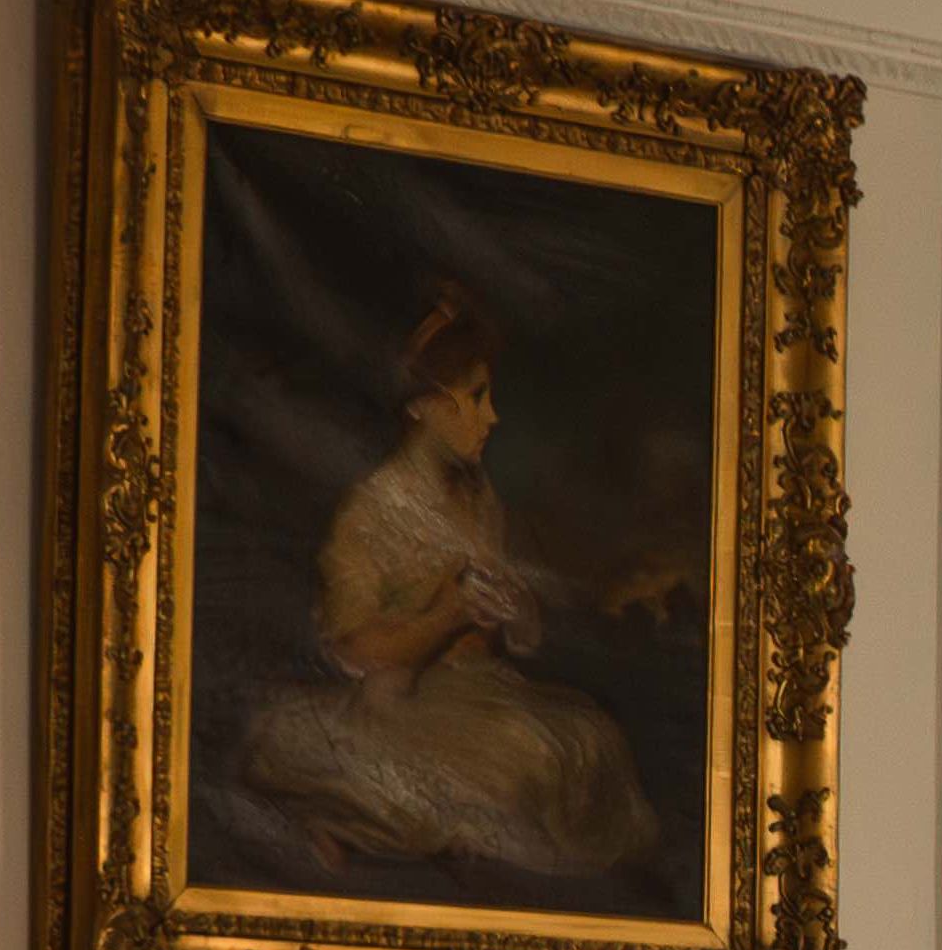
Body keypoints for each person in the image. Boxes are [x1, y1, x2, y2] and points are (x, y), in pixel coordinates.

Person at [240, 290, 662, 884]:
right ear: (422, 408)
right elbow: (354, 651)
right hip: (403, 701)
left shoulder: (478, 495)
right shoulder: (372, 509)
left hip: (481, 692)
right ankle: (354, 816)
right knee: (529, 764)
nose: (492, 417)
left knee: (594, 740)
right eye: (475, 397)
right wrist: (447, 616)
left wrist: (517, 613)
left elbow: (516, 630)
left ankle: (405, 819)